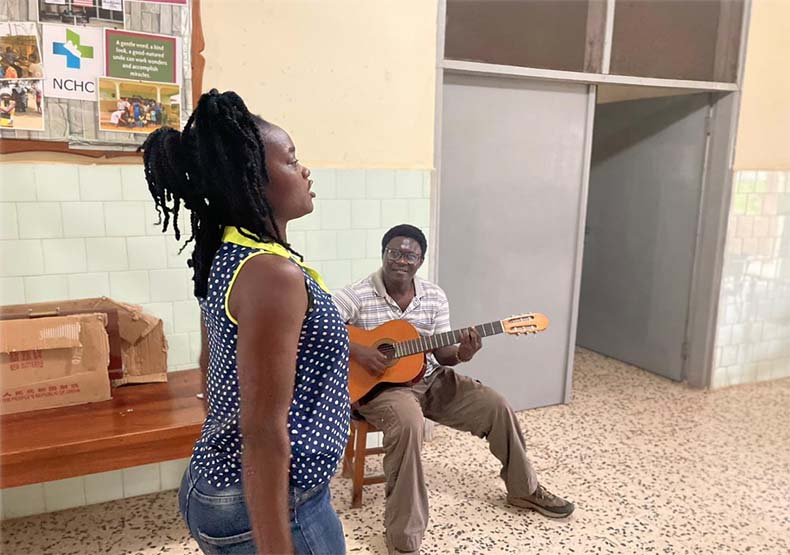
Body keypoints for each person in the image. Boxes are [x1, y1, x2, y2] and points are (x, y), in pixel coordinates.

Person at [140, 89, 350, 554]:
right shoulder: (272, 274)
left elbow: (210, 365)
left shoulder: (229, 252)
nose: (305, 170)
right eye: (292, 160)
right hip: (274, 506)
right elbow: (263, 432)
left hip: (219, 483)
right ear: (255, 180)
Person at [333, 223, 575, 555]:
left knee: (496, 405)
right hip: (384, 390)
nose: (401, 260)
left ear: (420, 260)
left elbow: (443, 355)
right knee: (409, 426)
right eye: (394, 253)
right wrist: (361, 351)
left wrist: (463, 352)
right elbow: (314, 322)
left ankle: (523, 488)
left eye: (410, 255)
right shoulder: (357, 294)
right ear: (383, 254)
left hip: (431, 379)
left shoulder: (433, 295)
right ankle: (403, 540)